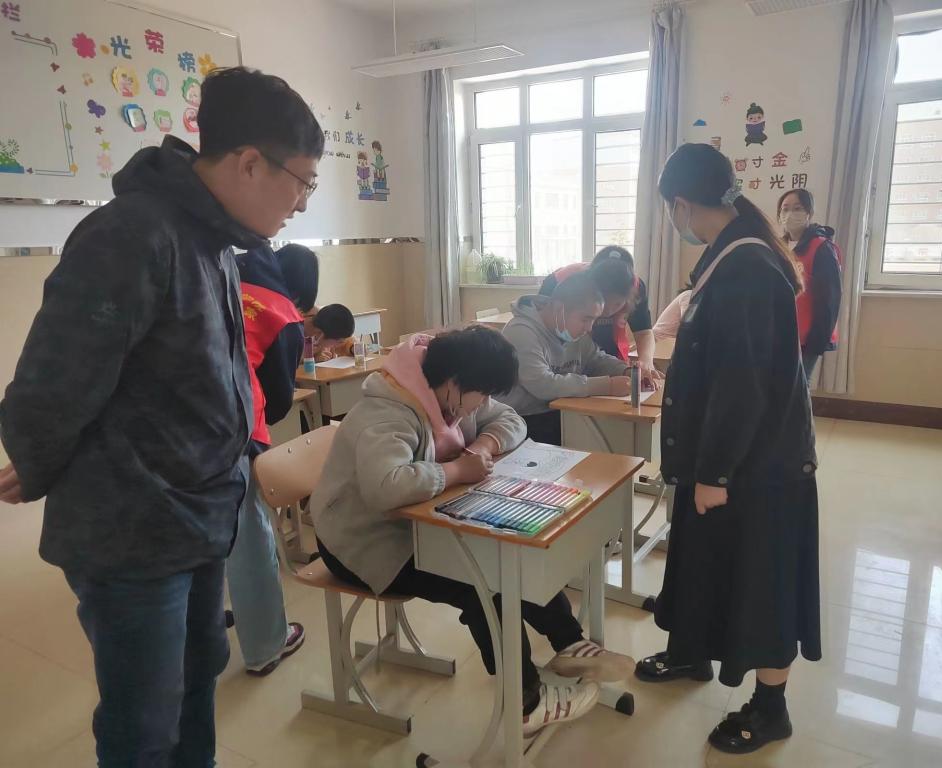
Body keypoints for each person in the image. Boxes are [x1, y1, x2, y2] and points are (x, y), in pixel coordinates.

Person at [0, 66, 323, 766]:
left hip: (197, 515)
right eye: (303, 182)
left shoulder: (211, 240)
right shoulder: (132, 235)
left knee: (196, 678)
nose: (302, 203)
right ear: (249, 163)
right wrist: (40, 459)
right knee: (144, 722)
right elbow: (55, 381)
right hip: (133, 529)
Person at [310, 327, 635, 735]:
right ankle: (526, 702)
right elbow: (385, 487)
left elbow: (511, 419)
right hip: (362, 542)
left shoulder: (449, 391)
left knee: (511, 557)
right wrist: (456, 471)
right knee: (483, 585)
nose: (482, 404)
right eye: (480, 395)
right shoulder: (388, 411)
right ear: (454, 382)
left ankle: (568, 643)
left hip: (418, 527)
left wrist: (482, 447)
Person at [636, 143, 821, 755]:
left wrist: (714, 473)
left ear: (682, 204)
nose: (674, 220)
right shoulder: (732, 251)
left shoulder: (746, 268)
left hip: (756, 467)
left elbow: (742, 383)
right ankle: (691, 651)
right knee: (704, 562)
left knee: (762, 581)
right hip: (730, 458)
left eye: (671, 210)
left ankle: (771, 709)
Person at [226, 243, 320, 675]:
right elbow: (280, 400)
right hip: (232, 429)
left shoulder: (226, 278)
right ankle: (266, 644)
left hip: (175, 427)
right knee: (250, 537)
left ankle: (204, 623)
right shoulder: (283, 313)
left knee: (196, 529)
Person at [498, 273, 631, 445]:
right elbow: (543, 384)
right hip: (521, 421)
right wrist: (608, 386)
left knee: (610, 434)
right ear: (559, 308)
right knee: (598, 440)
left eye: (593, 320)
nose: (589, 328)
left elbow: (596, 359)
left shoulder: (572, 332)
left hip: (559, 411)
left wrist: (627, 370)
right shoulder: (521, 331)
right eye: (585, 319)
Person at [540, 247, 661, 387]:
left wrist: (645, 363)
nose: (608, 311)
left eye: (617, 304)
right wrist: (604, 385)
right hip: (565, 365)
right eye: (604, 302)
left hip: (604, 360)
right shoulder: (561, 283)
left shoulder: (634, 287)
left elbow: (644, 332)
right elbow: (543, 336)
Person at [777, 189, 842, 384]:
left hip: (807, 337)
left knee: (798, 388)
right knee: (779, 388)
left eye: (797, 208)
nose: (790, 214)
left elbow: (830, 298)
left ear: (809, 213)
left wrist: (818, 340)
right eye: (785, 209)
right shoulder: (777, 247)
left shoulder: (822, 248)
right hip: (780, 333)